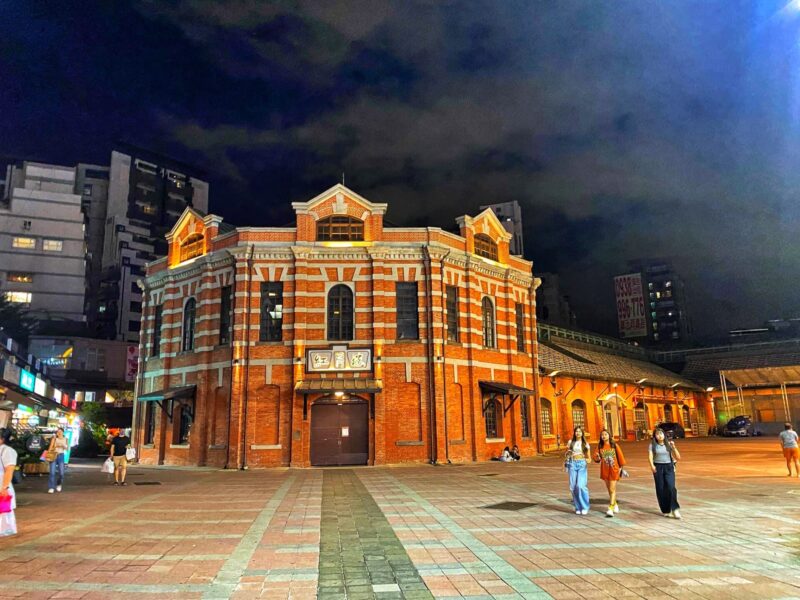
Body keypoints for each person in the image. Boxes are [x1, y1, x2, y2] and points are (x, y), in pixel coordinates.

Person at [648, 427, 682, 519]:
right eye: (657, 434)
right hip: (658, 467)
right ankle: (666, 510)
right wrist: (652, 466)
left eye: (661, 434)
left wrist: (674, 447)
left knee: (671, 487)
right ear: (654, 436)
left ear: (664, 435)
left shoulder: (669, 444)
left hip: (669, 467)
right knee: (661, 489)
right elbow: (650, 456)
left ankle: (675, 509)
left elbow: (678, 457)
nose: (659, 436)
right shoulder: (652, 445)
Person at [593, 429, 627, 518]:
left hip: (614, 470)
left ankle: (610, 508)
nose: (604, 436)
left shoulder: (614, 445)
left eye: (605, 434)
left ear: (609, 435)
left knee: (612, 489)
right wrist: (597, 457)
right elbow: (596, 458)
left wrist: (621, 468)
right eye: (602, 435)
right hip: (605, 470)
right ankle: (615, 503)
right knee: (609, 489)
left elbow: (621, 458)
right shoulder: (600, 446)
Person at [565, 426, 590, 515]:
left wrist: (587, 460)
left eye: (579, 431)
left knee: (580, 486)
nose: (578, 433)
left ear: (582, 433)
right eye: (576, 431)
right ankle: (577, 507)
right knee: (573, 487)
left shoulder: (585, 443)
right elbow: (567, 454)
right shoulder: (570, 442)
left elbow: (589, 458)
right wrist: (566, 464)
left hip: (581, 464)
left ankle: (585, 506)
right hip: (572, 463)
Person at [0, 428, 17, 536]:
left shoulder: (7, 451)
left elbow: (9, 469)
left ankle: (4, 529)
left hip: (2, 482)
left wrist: (4, 487)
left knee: (3, 508)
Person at [47, 428, 68, 494]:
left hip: (61, 456)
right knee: (52, 472)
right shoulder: (54, 439)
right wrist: (55, 446)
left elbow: (67, 448)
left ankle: (59, 484)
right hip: (54, 455)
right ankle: (51, 487)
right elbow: (50, 448)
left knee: (61, 473)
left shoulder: (66, 439)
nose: (59, 433)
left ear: (63, 432)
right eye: (58, 432)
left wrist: (63, 446)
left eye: (60, 431)